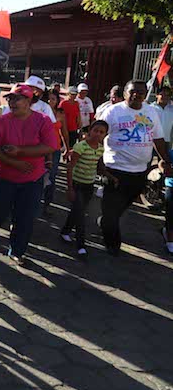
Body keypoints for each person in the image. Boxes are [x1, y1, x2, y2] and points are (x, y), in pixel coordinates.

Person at [0, 84, 58, 264]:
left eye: (17, 99)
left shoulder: (43, 120)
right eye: (10, 99)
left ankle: (17, 250)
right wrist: (14, 162)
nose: (12, 102)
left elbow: (50, 146)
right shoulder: (4, 121)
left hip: (32, 179)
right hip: (4, 176)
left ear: (29, 101)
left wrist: (20, 151)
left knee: (25, 216)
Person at [99, 80, 172, 256]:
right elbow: (98, 136)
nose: (136, 95)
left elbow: (158, 139)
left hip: (139, 172)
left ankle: (106, 221)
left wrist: (165, 160)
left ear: (145, 94)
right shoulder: (113, 112)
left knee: (117, 210)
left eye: (141, 92)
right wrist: (98, 163)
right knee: (111, 213)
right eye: (132, 91)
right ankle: (113, 244)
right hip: (114, 170)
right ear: (125, 93)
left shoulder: (151, 112)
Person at [60, 120, 108, 259]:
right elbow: (70, 167)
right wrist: (70, 188)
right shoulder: (81, 146)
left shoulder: (101, 149)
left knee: (77, 211)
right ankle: (81, 245)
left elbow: (99, 166)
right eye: (95, 130)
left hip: (89, 185)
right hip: (77, 184)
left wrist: (111, 177)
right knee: (81, 215)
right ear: (90, 131)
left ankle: (65, 231)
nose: (98, 134)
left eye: (101, 132)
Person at [42, 89, 71, 214]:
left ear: (57, 100)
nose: (50, 101)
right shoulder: (40, 111)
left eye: (53, 99)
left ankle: (47, 204)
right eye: (48, 98)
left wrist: (67, 148)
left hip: (54, 150)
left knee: (51, 177)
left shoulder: (60, 114)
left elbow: (64, 132)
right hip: (40, 149)